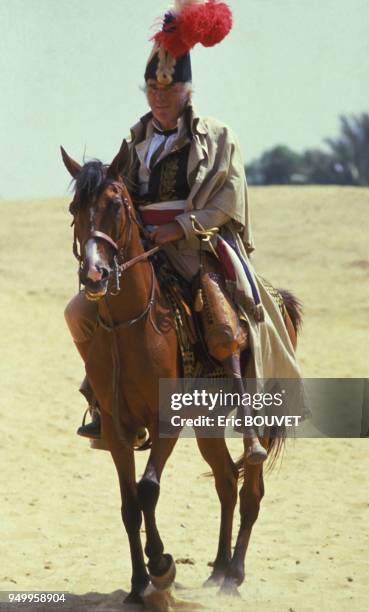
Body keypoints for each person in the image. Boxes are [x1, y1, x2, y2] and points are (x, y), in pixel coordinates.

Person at [64, 0, 302, 464]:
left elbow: (226, 202)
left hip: (195, 243)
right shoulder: (135, 139)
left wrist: (181, 227)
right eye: (152, 88)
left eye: (167, 89)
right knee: (79, 313)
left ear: (185, 92)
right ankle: (102, 401)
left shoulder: (215, 136)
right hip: (139, 247)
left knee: (223, 310)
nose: (158, 97)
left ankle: (251, 422)